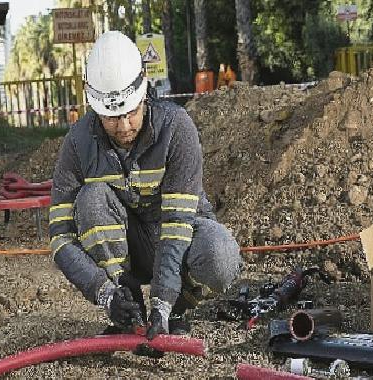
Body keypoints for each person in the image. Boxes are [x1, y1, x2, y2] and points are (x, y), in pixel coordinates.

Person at [49, 31, 242, 339]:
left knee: (221, 257)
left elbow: (178, 223)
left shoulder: (176, 128)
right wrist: (105, 295)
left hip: (176, 239)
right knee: (92, 199)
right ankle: (129, 309)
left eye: (131, 113)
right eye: (111, 118)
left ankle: (177, 307)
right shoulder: (77, 143)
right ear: (95, 108)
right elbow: (60, 238)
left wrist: (163, 304)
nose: (123, 127)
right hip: (128, 248)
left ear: (144, 94)